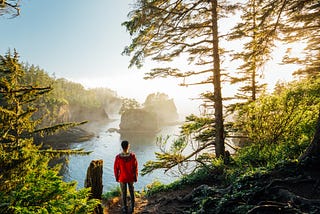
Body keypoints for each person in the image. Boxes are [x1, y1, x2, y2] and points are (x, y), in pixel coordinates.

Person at [114, 140, 138, 214]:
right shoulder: (132, 156)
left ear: (122, 147)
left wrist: (117, 177)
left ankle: (125, 208)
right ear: (128, 146)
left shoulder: (118, 157)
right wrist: (135, 176)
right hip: (130, 177)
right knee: (131, 191)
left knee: (123, 193)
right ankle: (133, 207)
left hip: (122, 178)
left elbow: (116, 168)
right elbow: (135, 167)